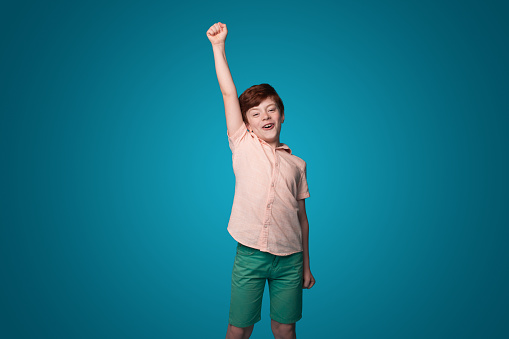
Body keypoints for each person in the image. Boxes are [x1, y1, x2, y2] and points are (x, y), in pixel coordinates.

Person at [206, 22, 315, 339]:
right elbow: (228, 92)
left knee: (284, 328)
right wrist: (218, 46)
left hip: (291, 259)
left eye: (271, 110)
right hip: (251, 254)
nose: (265, 116)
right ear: (247, 124)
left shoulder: (297, 164)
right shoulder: (242, 143)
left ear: (281, 115)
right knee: (239, 328)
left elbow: (302, 220)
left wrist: (306, 266)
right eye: (255, 113)